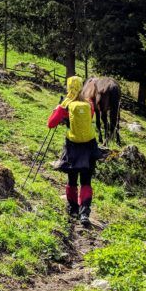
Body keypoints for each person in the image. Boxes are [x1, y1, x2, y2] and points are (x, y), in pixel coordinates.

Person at [47, 76, 97, 226]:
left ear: (69, 88)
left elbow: (51, 124)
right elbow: (90, 118)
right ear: (82, 87)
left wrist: (60, 109)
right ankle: (85, 213)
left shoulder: (66, 105)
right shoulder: (89, 104)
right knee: (86, 180)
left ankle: (73, 209)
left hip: (72, 146)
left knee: (72, 180)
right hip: (89, 146)